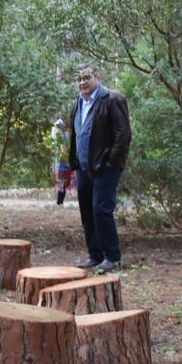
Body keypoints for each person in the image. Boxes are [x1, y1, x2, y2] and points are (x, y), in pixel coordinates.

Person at [66, 64, 131, 270]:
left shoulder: (113, 99)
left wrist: (110, 162)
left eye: (87, 77)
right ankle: (95, 255)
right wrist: (74, 161)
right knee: (87, 211)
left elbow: (123, 135)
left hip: (106, 167)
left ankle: (112, 257)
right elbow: (76, 133)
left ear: (98, 78)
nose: (83, 82)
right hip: (84, 167)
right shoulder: (78, 102)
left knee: (101, 209)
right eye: (80, 79)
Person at [51, 118, 74, 205]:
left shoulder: (67, 135)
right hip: (63, 165)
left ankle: (60, 202)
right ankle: (59, 202)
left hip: (66, 164)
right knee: (62, 184)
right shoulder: (62, 136)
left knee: (63, 183)